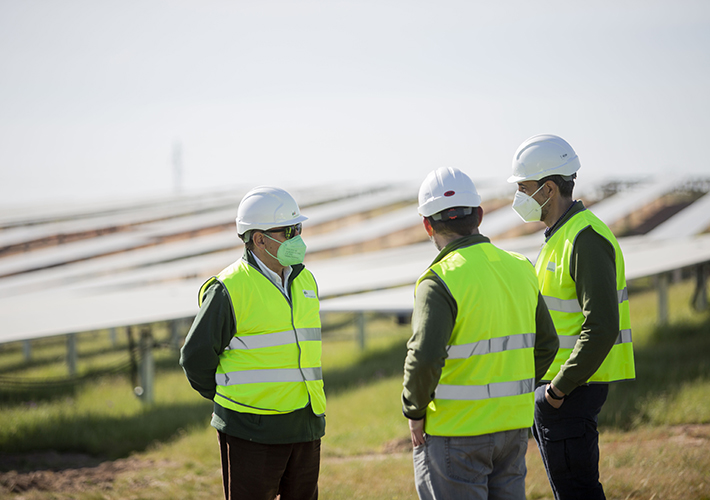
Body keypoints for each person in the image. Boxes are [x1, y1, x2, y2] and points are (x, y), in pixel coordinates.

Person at [402, 167, 559, 500]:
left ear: (427, 225)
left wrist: (414, 411)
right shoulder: (520, 267)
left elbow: (425, 357)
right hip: (512, 429)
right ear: (480, 215)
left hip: (455, 433)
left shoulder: (438, 281)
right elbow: (548, 344)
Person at [508, 134, 636, 500]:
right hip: (560, 392)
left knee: (578, 493)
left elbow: (601, 327)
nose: (518, 197)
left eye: (524, 188)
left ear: (549, 188)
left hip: (571, 392)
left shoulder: (584, 238)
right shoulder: (558, 237)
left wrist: (556, 390)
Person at [180, 186, 325, 500]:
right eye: (289, 231)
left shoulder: (305, 280)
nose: (298, 237)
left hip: (305, 426)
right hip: (251, 430)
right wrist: (229, 396)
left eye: (299, 228)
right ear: (259, 239)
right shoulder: (228, 288)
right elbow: (195, 357)